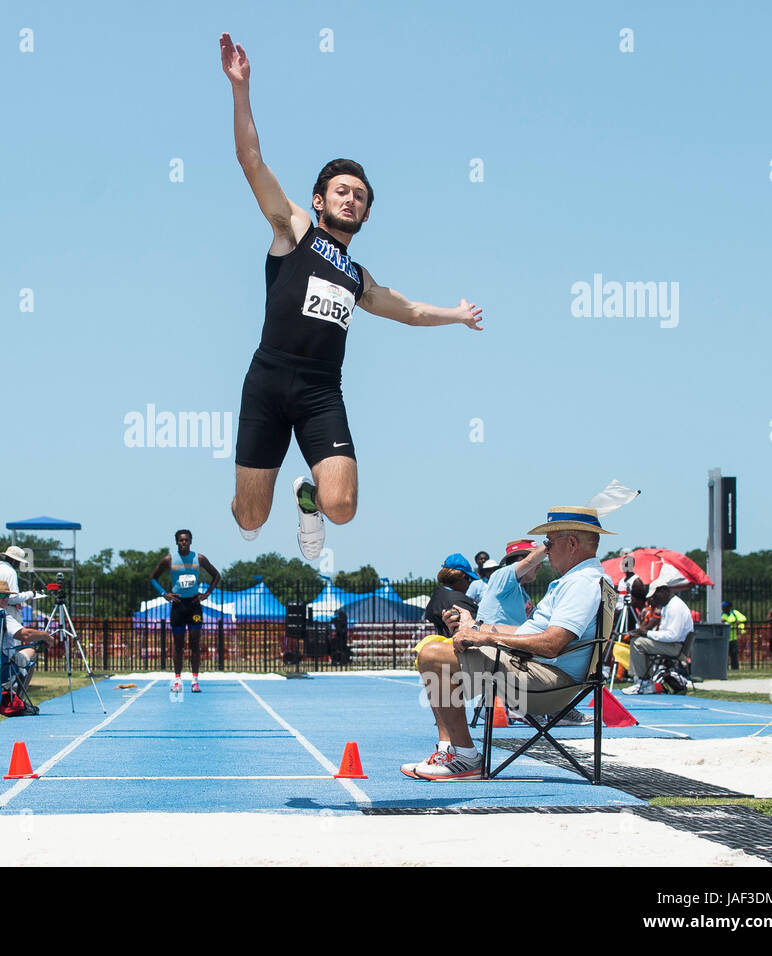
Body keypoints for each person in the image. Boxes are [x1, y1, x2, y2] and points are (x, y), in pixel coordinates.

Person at [220, 33, 484, 561]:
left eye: (360, 197)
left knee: (342, 505)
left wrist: (456, 315)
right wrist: (241, 88)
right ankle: (259, 502)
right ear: (320, 201)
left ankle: (310, 500)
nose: (351, 198)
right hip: (268, 381)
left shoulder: (357, 277)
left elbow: (407, 310)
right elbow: (251, 159)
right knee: (250, 518)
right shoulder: (294, 230)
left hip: (321, 392)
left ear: (366, 215)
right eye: (342, 191)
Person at [405, 506, 613, 781]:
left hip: (548, 681)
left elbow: (552, 644)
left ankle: (464, 756)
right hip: (543, 672)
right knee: (437, 651)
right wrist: (476, 627)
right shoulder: (583, 580)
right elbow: (531, 631)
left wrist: (486, 637)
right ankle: (452, 750)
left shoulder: (581, 584)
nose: (546, 552)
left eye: (549, 544)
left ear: (571, 543)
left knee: (433, 655)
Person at [149, 529, 221, 693]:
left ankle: (195, 680)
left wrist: (207, 594)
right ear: (176, 542)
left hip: (194, 606)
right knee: (178, 645)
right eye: (181, 540)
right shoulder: (169, 560)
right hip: (178, 606)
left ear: (191, 541)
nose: (184, 543)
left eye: (186, 540)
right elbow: (153, 577)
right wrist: (164, 594)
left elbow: (216, 575)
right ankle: (178, 680)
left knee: (195, 644)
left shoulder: (199, 558)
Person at [0, 579, 57, 700]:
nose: (6, 599)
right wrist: (45, 636)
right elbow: (25, 635)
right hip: (0, 667)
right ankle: (20, 699)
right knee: (31, 652)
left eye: (8, 595)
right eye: (1, 595)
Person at [623, 581, 695, 691]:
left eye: (655, 596)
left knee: (637, 643)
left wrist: (647, 633)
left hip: (676, 647)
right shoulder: (669, 606)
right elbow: (666, 633)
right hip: (673, 645)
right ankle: (644, 680)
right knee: (640, 641)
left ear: (664, 591)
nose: (653, 600)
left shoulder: (674, 607)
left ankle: (643, 682)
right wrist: (646, 634)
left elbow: (672, 636)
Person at [475, 540, 547, 628]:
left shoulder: (522, 593)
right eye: (538, 561)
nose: (540, 566)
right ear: (521, 561)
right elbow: (529, 561)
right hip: (493, 639)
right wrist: (552, 541)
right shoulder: (502, 575)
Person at [0, 546, 38, 635]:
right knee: (12, 643)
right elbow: (12, 598)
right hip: (8, 611)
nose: (18, 565)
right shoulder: (10, 572)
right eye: (18, 562)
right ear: (14, 560)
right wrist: (30, 594)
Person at [720, 600, 747, 671]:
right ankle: (724, 669)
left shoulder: (734, 613)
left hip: (733, 638)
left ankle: (735, 668)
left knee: (734, 654)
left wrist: (738, 621)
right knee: (724, 655)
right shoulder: (721, 614)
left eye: (725, 606)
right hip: (724, 638)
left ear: (729, 607)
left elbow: (743, 618)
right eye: (723, 606)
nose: (723, 608)